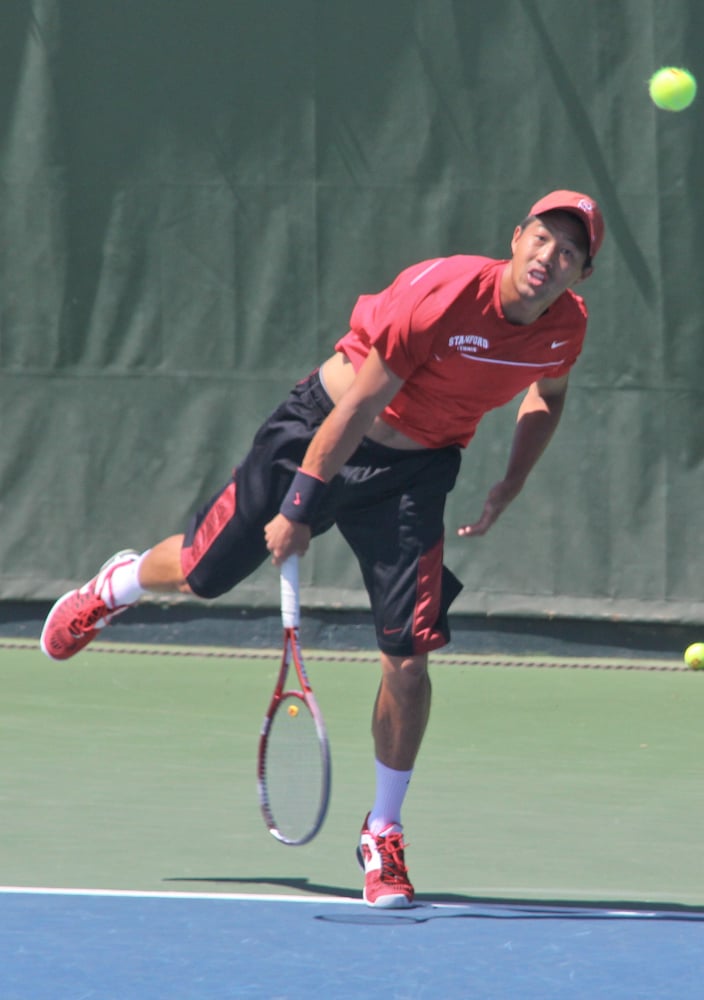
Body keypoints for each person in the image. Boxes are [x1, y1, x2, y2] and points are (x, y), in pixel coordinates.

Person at [40, 189, 604, 908]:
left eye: (569, 253)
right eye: (542, 240)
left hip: (415, 473)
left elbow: (547, 397)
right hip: (321, 433)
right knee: (200, 573)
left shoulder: (565, 329)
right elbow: (360, 405)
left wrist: (511, 481)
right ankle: (114, 585)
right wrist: (300, 506)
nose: (549, 259)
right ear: (516, 236)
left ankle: (383, 831)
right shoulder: (440, 294)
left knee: (409, 655)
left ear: (580, 275)